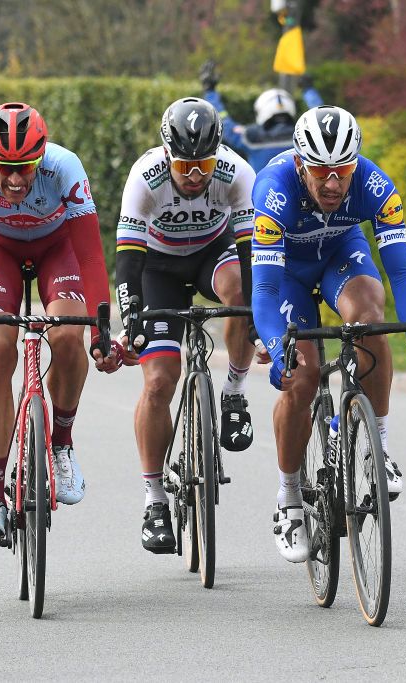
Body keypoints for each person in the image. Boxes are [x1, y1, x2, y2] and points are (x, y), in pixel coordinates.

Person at [250, 105, 406, 563]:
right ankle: (289, 498)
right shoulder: (273, 190)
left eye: (342, 171)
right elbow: (264, 288)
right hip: (288, 275)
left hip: (341, 254)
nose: (334, 183)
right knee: (304, 373)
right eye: (321, 172)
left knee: (368, 319)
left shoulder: (375, 186)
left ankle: (375, 439)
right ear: (301, 164)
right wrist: (281, 351)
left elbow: (401, 271)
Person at [0, 102, 123, 546]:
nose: (16, 179)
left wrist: (100, 329)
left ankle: (61, 442)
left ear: (41, 156)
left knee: (68, 334)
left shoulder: (64, 167)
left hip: (55, 248)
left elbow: (90, 256)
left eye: (25, 166)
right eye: (4, 168)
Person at [115, 97, 264, 554]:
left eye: (204, 164)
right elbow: (127, 264)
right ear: (166, 154)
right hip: (157, 269)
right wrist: (131, 321)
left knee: (242, 293)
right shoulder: (145, 178)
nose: (196, 175)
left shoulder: (236, 173)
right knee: (160, 382)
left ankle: (234, 392)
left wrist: (258, 320)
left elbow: (253, 254)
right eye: (185, 165)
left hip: (211, 255)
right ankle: (155, 498)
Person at [199, 61, 323, 173]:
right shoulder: (304, 137)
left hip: (260, 198)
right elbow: (321, 119)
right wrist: (309, 90)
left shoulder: (252, 138)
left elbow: (223, 122)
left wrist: (210, 92)